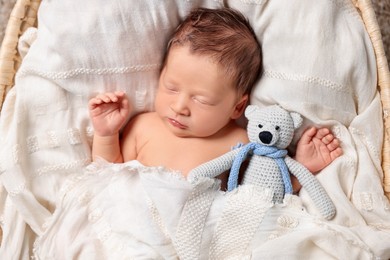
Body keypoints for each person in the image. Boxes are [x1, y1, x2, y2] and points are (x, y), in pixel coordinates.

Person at [88, 7, 342, 190]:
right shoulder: (143, 125)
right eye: (171, 87)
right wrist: (106, 135)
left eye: (202, 100)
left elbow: (262, 193)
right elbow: (107, 176)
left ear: (238, 107)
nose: (179, 107)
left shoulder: (240, 142)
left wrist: (303, 168)